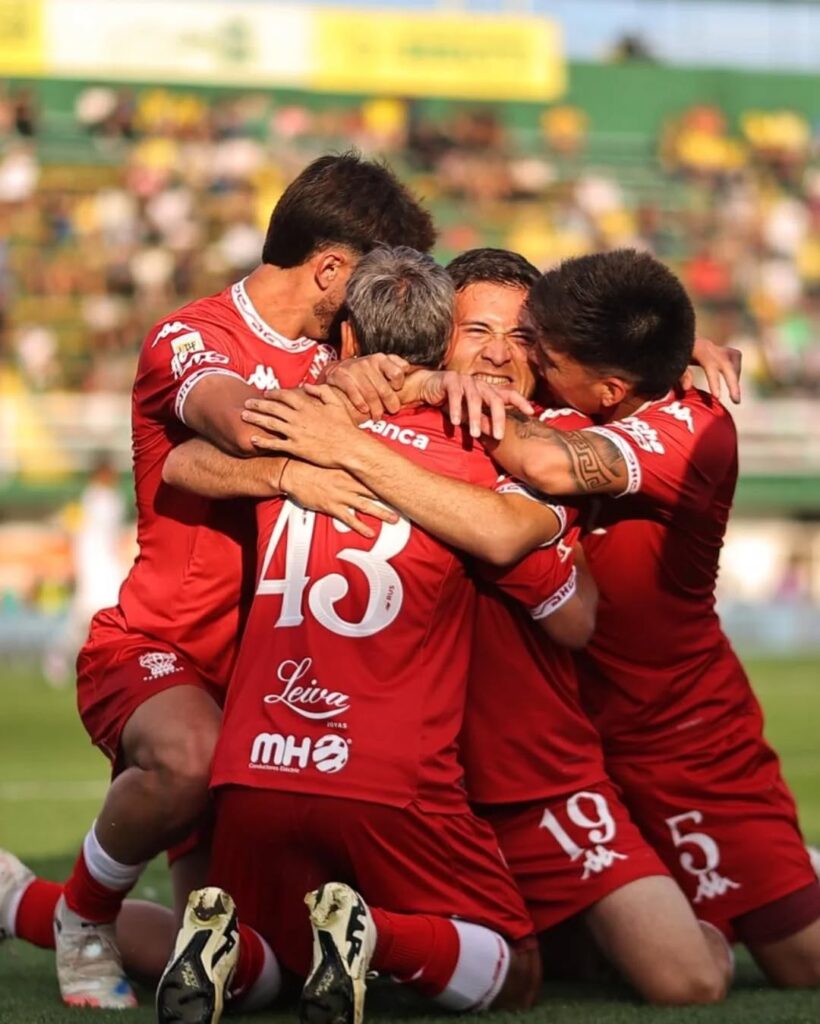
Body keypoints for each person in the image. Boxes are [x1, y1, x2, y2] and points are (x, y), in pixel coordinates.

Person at [0, 152, 436, 1010]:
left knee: (239, 949)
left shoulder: (340, 353)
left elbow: (472, 349)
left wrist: (672, 362)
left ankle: (19, 901)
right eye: (374, 283)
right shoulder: (192, 335)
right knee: (190, 759)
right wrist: (326, 423)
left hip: (268, 687)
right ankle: (85, 920)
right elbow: (231, 418)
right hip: (159, 651)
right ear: (331, 270)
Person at [246, 248, 731, 1004]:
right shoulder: (370, 399)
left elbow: (571, 615)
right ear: (438, 335)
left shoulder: (553, 434)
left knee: (687, 980)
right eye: (476, 330)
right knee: (259, 948)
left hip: (530, 775)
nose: (501, 353)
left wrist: (675, 353)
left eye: (523, 336)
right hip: (392, 769)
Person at [159, 246, 584, 1024]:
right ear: (443, 342)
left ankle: (231, 954)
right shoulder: (483, 443)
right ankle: (374, 938)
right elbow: (555, 596)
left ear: (347, 340)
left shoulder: (302, 412)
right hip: (391, 772)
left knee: (277, 960)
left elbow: (181, 463)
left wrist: (291, 471)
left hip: (256, 765)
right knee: (517, 971)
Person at [460, 249, 820, 988]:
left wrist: (436, 391)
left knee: (800, 963)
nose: (522, 357)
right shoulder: (577, 394)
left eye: (541, 349)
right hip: (561, 733)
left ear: (612, 386)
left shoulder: (696, 428)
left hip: (675, 732)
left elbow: (553, 468)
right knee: (577, 962)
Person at [42, 454, 126, 688]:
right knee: (88, 617)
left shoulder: (90, 500)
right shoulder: (104, 500)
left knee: (91, 617)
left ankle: (68, 659)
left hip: (100, 564)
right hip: (97, 565)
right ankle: (59, 656)